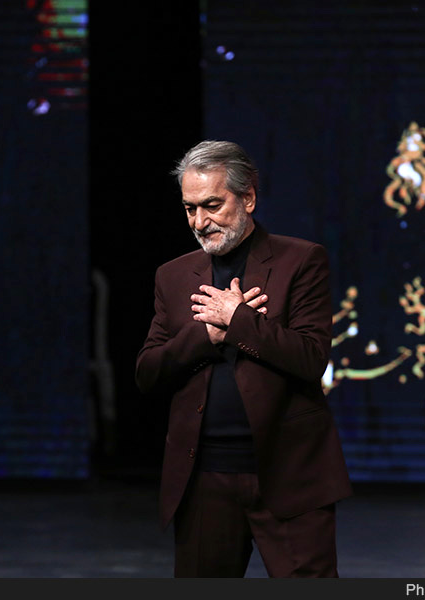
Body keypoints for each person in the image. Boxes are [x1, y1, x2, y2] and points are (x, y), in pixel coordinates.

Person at [135, 140, 352, 577]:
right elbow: (148, 372)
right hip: (203, 479)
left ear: (248, 198)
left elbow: (311, 358)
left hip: (289, 473)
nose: (200, 221)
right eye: (190, 208)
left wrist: (237, 320)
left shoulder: (301, 261)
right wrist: (206, 334)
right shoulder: (172, 276)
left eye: (212, 205)